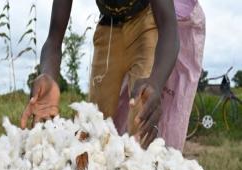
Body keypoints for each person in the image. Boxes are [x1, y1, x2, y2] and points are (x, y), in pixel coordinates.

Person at [21, 0, 180, 149]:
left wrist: (156, 83)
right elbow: (54, 37)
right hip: (108, 28)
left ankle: (142, 167)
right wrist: (48, 75)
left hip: (145, 23)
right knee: (94, 123)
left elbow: (169, 26)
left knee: (143, 108)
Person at [114, 0, 206, 151]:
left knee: (167, 119)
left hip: (178, 23)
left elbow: (169, 28)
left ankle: (159, 166)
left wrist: (157, 82)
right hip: (134, 20)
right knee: (126, 108)